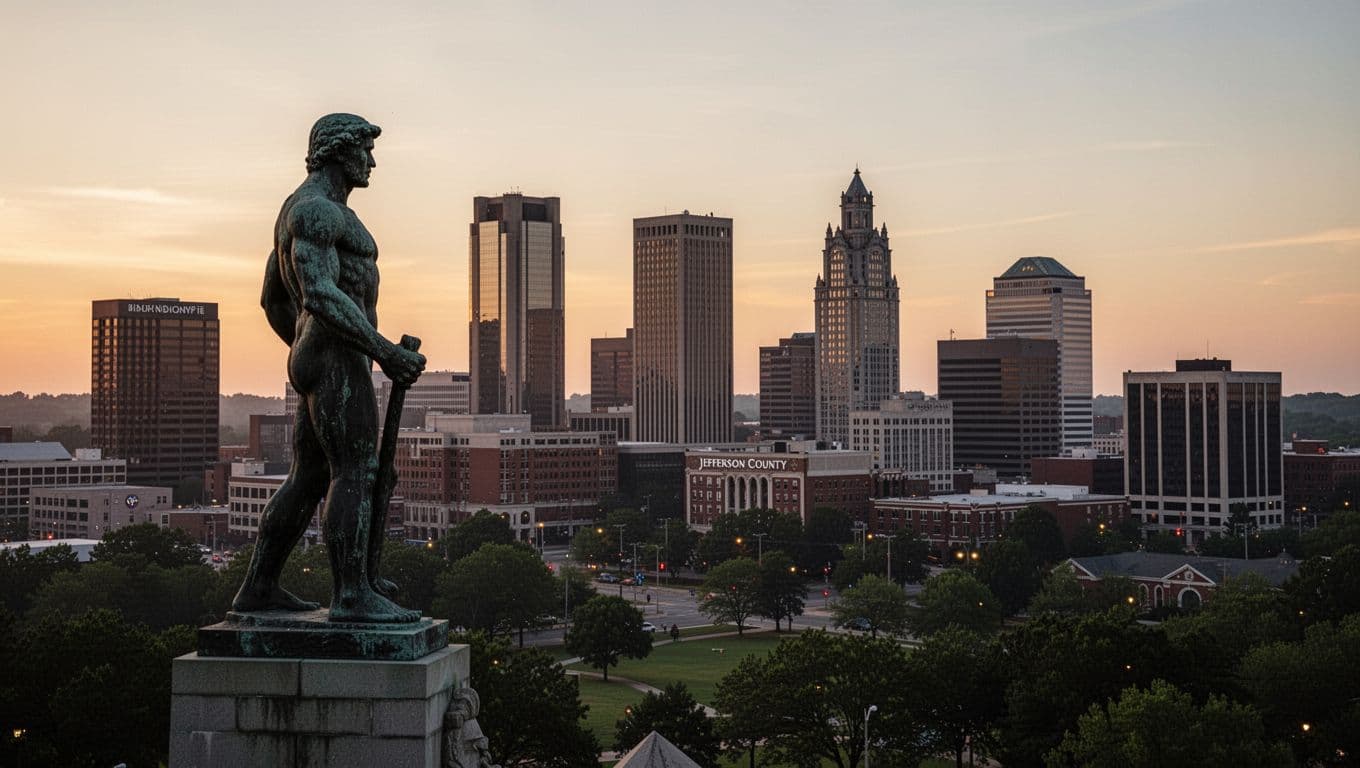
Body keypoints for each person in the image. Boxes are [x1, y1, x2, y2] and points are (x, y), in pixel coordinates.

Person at [232, 113, 426, 623]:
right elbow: (317, 293)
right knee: (356, 472)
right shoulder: (317, 211)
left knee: (309, 477)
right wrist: (385, 352)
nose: (373, 160)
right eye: (366, 149)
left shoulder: (297, 210)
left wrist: (300, 348)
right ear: (341, 151)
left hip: (324, 355)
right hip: (338, 357)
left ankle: (260, 587)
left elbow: (272, 299)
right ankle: (352, 594)